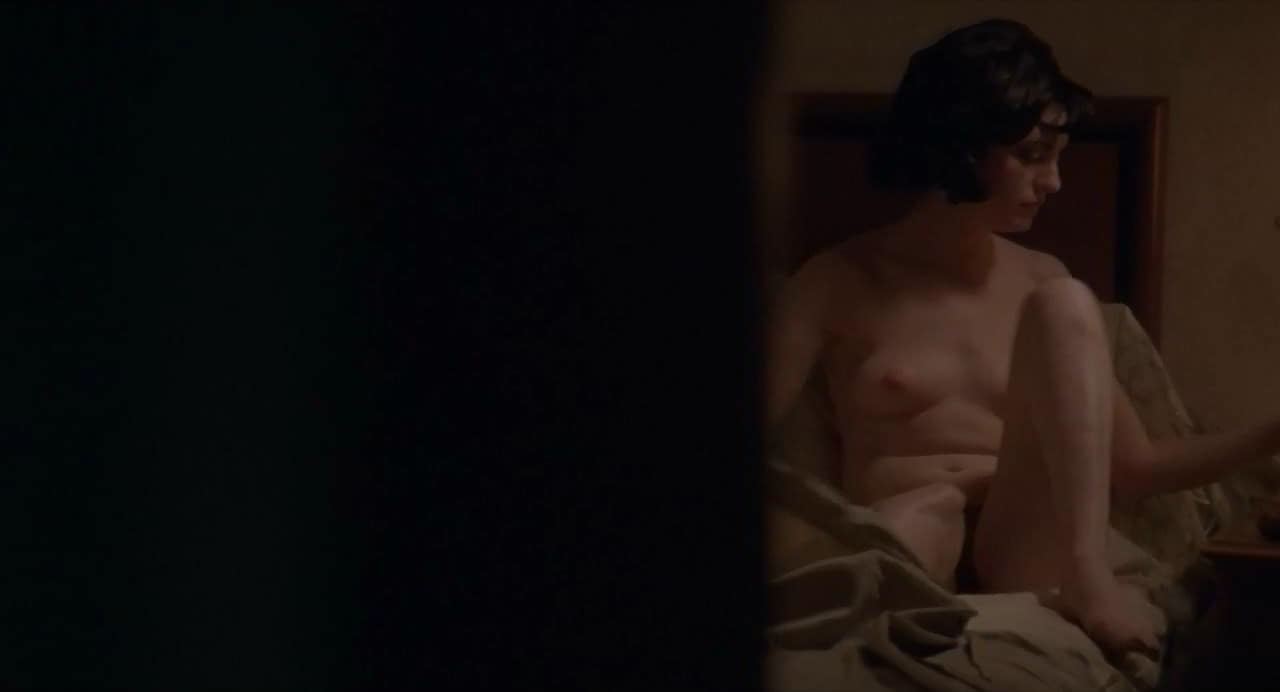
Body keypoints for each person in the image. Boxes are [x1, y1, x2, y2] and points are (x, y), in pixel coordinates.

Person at [766, 18, 1280, 656]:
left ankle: (1087, 578)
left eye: (1058, 157)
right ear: (961, 143)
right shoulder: (835, 281)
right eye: (1033, 155)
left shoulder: (1044, 281)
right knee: (924, 515)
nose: (1054, 182)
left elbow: (1135, 467)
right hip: (906, 534)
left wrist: (1270, 435)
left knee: (1065, 301)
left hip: (1024, 544)